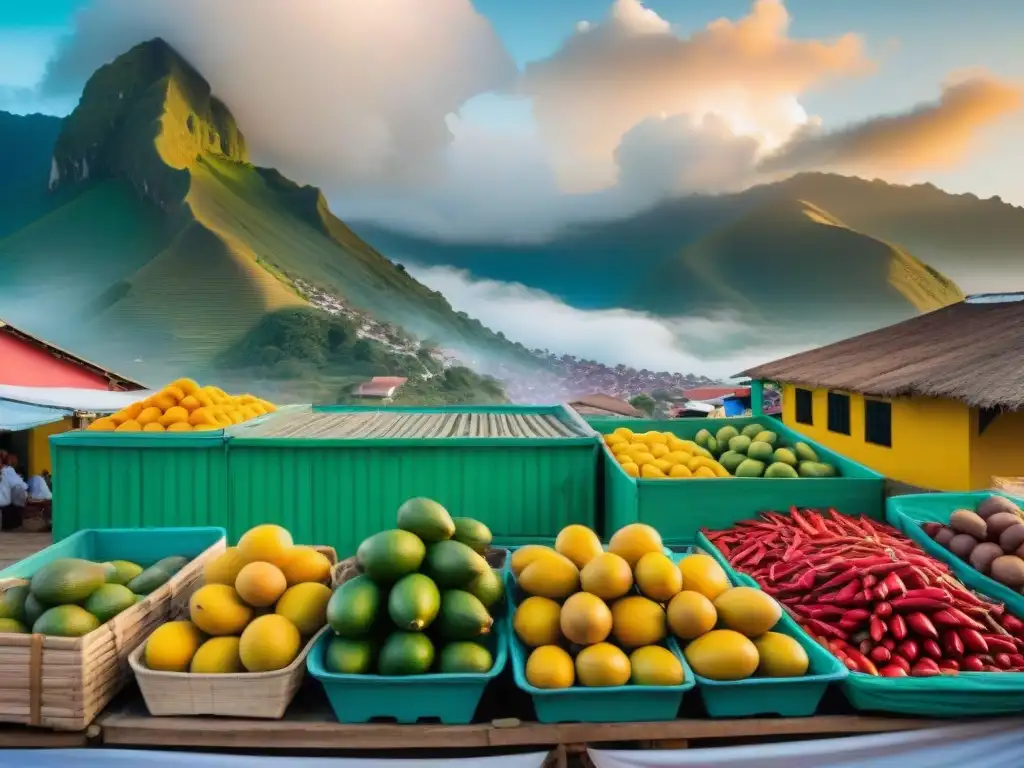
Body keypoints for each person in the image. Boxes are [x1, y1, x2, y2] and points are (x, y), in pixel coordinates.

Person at [0, 453, 28, 530]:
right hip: (11, 498)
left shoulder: (7, 472)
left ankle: (12, 525)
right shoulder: (8, 472)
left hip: (12, 499)